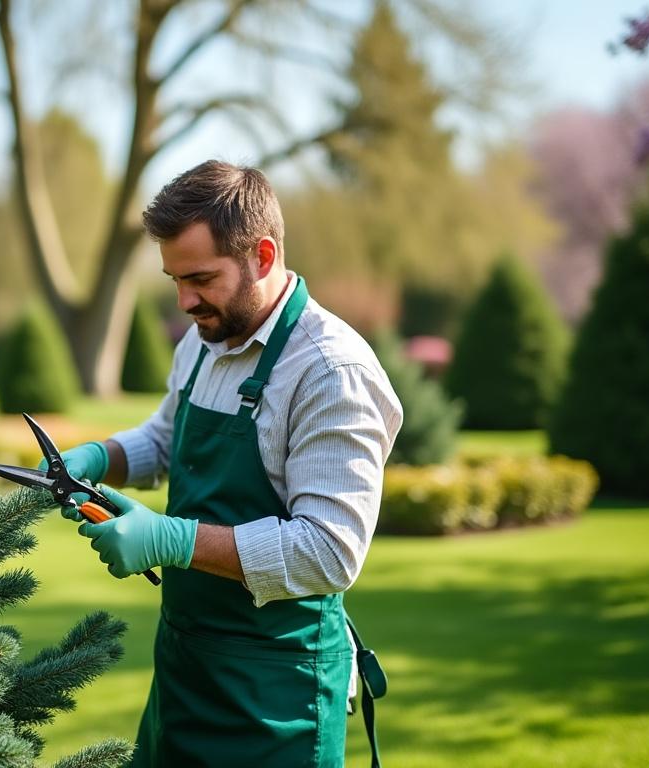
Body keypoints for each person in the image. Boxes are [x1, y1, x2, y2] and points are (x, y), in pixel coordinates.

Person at [54, 160, 403, 767]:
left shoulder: (330, 371)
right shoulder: (204, 337)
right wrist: (93, 459)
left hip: (276, 699)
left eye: (201, 279)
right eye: (173, 280)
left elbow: (329, 552)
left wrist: (174, 539)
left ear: (263, 257)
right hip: (185, 674)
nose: (185, 300)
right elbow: (166, 439)